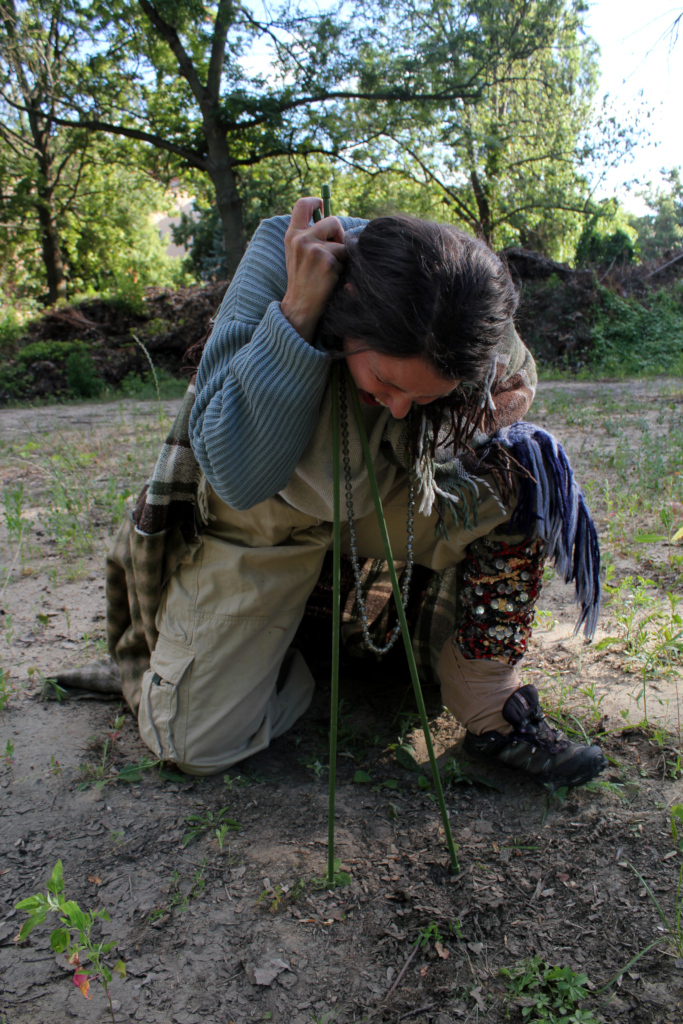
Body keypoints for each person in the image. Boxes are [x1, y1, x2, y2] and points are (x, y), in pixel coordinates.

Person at [106, 196, 606, 787]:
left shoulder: (467, 300)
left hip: (380, 498)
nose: (398, 406)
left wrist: (447, 422)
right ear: (350, 314)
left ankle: (485, 698)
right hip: (265, 514)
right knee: (193, 742)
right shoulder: (282, 252)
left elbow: (517, 387)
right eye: (387, 382)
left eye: (420, 396)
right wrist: (296, 315)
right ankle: (295, 643)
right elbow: (236, 476)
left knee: (529, 471)